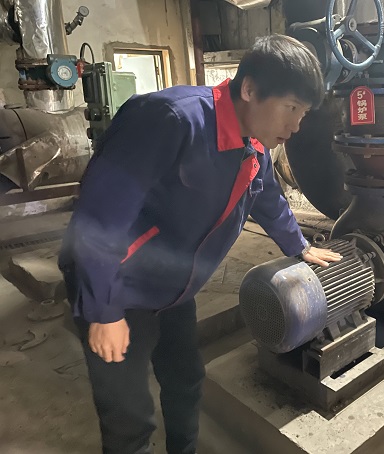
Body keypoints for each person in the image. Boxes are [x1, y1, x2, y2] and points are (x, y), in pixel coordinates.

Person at [59, 34, 341, 454]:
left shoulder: (253, 146)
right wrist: (103, 312)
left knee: (186, 381)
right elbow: (99, 219)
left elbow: (267, 198)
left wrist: (298, 245)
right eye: (291, 108)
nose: (296, 125)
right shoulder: (169, 120)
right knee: (129, 417)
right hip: (117, 286)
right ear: (250, 90)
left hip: (174, 287)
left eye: (303, 113)